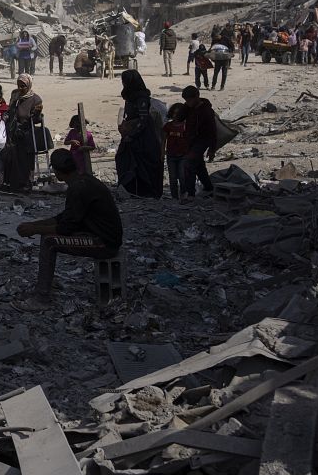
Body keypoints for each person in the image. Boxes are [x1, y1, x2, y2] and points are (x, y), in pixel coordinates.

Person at [13, 148, 123, 310]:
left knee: (49, 242)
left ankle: (41, 298)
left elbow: (65, 228)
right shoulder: (84, 180)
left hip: (104, 243)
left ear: (57, 172)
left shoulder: (78, 188)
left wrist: (35, 229)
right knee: (48, 235)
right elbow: (66, 217)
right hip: (103, 235)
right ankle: (46, 285)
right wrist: (36, 224)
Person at [115, 70, 164, 198]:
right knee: (124, 159)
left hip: (143, 136)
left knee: (144, 164)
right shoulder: (129, 96)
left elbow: (143, 119)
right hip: (131, 133)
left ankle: (146, 191)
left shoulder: (141, 97)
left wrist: (132, 135)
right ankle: (132, 190)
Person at [1, 74, 42, 192]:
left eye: (23, 86)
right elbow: (10, 110)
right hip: (12, 131)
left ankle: (24, 184)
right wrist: (6, 116)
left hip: (26, 133)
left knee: (24, 160)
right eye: (19, 85)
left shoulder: (35, 99)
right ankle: (9, 183)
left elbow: (36, 119)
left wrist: (37, 114)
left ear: (28, 85)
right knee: (9, 156)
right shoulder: (15, 95)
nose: (20, 88)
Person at [181, 86, 217, 201]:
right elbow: (179, 117)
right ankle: (209, 188)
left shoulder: (206, 111)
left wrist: (212, 149)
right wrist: (185, 106)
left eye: (190, 100)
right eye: (186, 100)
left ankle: (190, 194)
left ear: (196, 97)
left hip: (202, 140)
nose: (188, 102)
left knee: (189, 163)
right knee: (199, 166)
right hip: (191, 140)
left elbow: (213, 131)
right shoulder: (189, 108)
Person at [163, 103, 189, 201]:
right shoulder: (168, 126)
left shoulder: (186, 126)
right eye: (174, 113)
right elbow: (164, 140)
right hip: (171, 155)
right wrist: (162, 152)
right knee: (173, 178)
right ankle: (174, 197)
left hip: (183, 155)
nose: (175, 116)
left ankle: (183, 194)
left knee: (182, 176)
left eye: (177, 114)